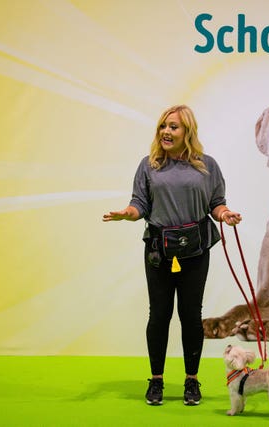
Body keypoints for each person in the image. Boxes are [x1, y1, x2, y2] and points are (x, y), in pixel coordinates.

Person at [102, 105, 242, 406]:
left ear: (187, 132)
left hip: (195, 250)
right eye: (163, 126)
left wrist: (225, 213)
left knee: (191, 316)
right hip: (158, 251)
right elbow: (139, 203)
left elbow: (216, 204)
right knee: (159, 314)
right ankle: (156, 381)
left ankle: (192, 381)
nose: (166, 131)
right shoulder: (149, 165)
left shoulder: (207, 166)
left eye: (174, 127)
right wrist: (128, 213)